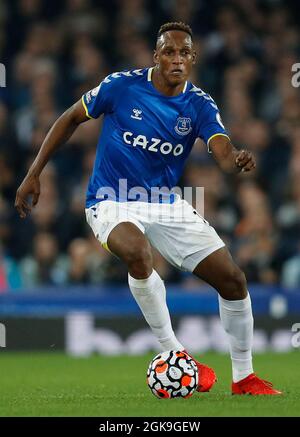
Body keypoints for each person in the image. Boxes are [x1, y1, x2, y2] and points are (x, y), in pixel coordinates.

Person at [15, 22, 281, 395]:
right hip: (110, 199)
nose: (176, 60)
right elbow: (70, 117)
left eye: (184, 53)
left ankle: (244, 377)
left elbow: (220, 147)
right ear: (155, 56)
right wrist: (34, 172)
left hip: (164, 203)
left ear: (192, 59)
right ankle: (175, 353)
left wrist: (234, 158)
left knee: (234, 281)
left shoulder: (199, 104)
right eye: (169, 52)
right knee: (139, 253)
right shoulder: (121, 86)